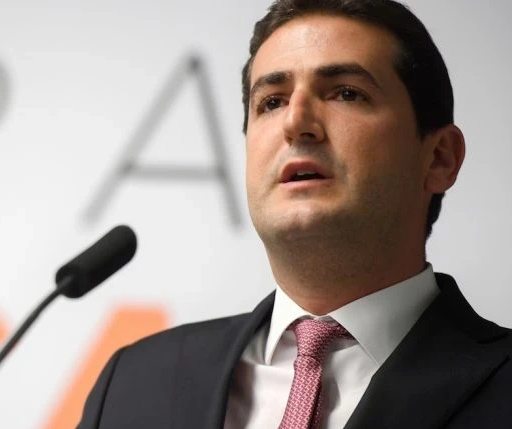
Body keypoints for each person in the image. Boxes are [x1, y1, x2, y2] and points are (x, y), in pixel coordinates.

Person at [76, 0, 512, 428]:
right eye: (271, 102)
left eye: (346, 93)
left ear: (439, 158)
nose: (295, 122)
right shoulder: (133, 382)